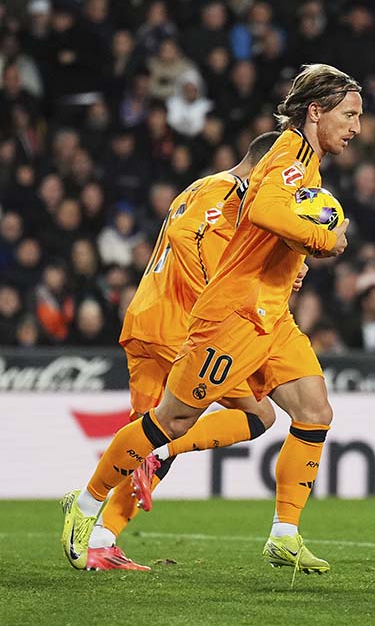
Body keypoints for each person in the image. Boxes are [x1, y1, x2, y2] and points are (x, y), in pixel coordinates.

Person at [61, 64, 358, 575]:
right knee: (167, 427)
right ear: (315, 112)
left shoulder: (305, 166)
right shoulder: (248, 177)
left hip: (257, 316)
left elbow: (261, 230)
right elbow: (219, 232)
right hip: (196, 321)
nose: (356, 127)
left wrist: (292, 264)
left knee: (304, 411)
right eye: (349, 115)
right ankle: (87, 508)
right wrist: (320, 238)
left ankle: (282, 534)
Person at [81, 132, 285, 571]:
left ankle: (100, 539)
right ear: (266, 166)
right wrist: (217, 298)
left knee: (144, 441)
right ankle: (134, 481)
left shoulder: (198, 186)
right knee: (260, 415)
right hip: (180, 329)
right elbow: (185, 233)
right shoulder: (226, 191)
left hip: (145, 321)